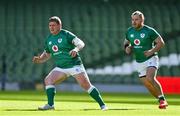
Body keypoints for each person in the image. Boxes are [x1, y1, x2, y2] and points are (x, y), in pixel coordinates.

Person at [32, 16, 108, 111]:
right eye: (50, 25)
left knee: (86, 85)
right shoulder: (49, 39)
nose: (51, 28)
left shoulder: (66, 34)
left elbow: (81, 43)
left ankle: (103, 105)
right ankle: (50, 105)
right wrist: (40, 59)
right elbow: (47, 54)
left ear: (60, 25)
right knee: (48, 80)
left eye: (54, 25)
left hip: (74, 65)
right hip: (61, 67)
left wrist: (76, 49)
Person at [124, 11, 168, 109]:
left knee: (150, 78)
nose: (134, 22)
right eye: (132, 20)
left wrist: (151, 51)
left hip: (151, 58)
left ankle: (162, 100)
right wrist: (127, 47)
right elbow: (126, 42)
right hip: (139, 61)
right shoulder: (129, 31)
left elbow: (161, 43)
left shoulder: (149, 30)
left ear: (142, 20)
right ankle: (160, 100)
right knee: (148, 85)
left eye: (136, 20)